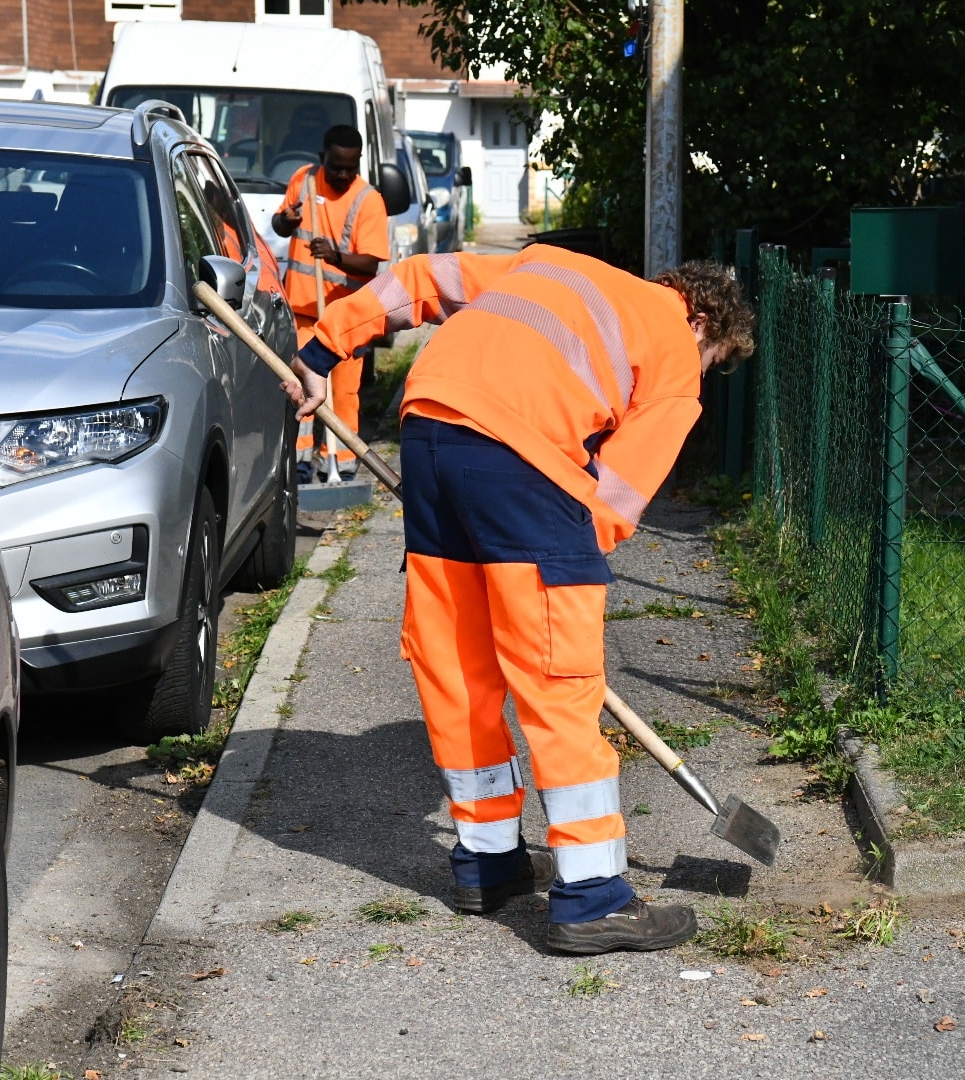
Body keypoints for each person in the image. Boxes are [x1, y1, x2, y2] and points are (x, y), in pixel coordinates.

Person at [287, 246, 756, 955]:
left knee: (459, 666)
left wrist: (324, 349)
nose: (708, 372)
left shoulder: (549, 264)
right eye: (717, 359)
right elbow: (617, 499)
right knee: (558, 680)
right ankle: (595, 897)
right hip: (522, 460)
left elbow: (417, 281)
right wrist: (561, 571)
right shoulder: (675, 356)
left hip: (431, 429)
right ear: (703, 325)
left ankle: (489, 864)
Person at [272, 124, 389, 477]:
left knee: (344, 393)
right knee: (302, 388)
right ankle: (303, 463)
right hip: (304, 312)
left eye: (350, 168)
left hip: (349, 317)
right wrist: (284, 221)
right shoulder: (304, 180)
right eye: (336, 166)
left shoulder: (369, 199)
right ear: (324, 158)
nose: (342, 174)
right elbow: (280, 224)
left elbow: (370, 262)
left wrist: (336, 256)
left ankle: (342, 466)